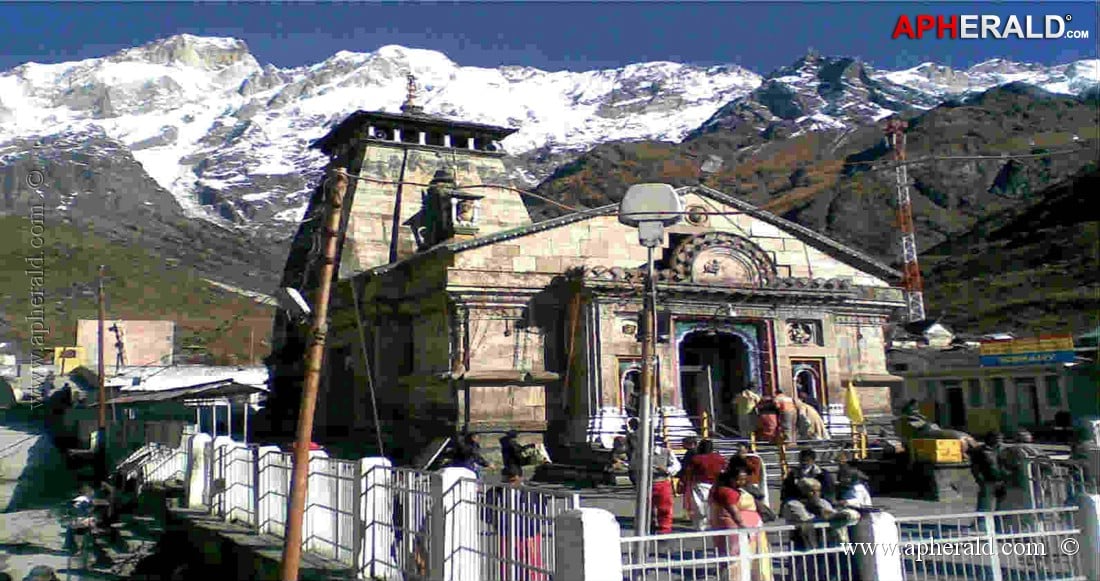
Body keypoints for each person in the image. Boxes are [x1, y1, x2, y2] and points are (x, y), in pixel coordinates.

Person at [708, 468, 774, 581]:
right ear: (731, 479)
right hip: (737, 531)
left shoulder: (729, 490)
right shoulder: (727, 492)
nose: (742, 482)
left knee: (746, 559)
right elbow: (734, 512)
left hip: (750, 531)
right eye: (739, 480)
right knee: (736, 559)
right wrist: (744, 527)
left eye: (744, 479)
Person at [488, 465, 548, 581]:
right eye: (507, 481)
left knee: (532, 565)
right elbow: (486, 513)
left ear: (521, 478)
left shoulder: (532, 493)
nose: (510, 485)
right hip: (506, 535)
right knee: (508, 566)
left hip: (529, 534)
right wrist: (498, 523)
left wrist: (534, 525)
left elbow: (542, 509)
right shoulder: (495, 493)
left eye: (513, 481)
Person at [682, 439, 727, 530]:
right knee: (713, 505)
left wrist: (685, 481)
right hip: (716, 485)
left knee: (700, 506)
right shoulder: (719, 458)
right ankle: (713, 525)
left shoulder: (697, 459)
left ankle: (701, 527)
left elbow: (689, 472)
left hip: (700, 485)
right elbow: (724, 470)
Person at [634, 443, 678, 533]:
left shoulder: (666, 452)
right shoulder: (639, 452)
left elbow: (677, 466)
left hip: (662, 483)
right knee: (645, 507)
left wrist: (667, 470)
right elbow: (633, 465)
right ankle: (648, 526)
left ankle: (664, 529)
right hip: (645, 483)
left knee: (665, 508)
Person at [971, 432, 1007, 512]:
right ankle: (982, 523)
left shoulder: (1000, 450)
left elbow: (1003, 465)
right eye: (997, 439)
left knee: (1000, 506)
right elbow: (975, 467)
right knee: (986, 505)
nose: (1000, 441)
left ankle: (996, 523)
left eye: (1001, 439)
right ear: (990, 439)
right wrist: (979, 480)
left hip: (1001, 481)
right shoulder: (980, 451)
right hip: (988, 481)